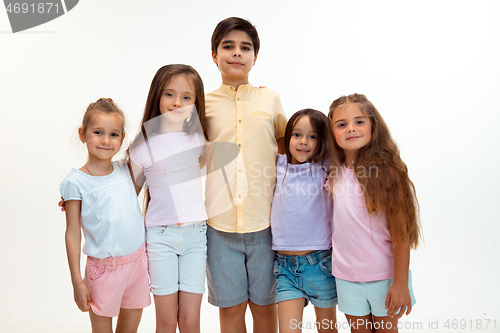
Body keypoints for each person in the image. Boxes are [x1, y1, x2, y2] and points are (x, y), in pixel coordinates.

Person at [204, 17, 288, 333]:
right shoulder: (204, 104)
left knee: (265, 309)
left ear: (255, 57)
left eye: (245, 47)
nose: (237, 53)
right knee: (231, 310)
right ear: (214, 55)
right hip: (219, 225)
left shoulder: (270, 99)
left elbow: (287, 149)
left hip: (266, 223)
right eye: (228, 46)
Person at [327, 94, 421, 332]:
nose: (351, 128)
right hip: (346, 277)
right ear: (332, 133)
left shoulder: (387, 174)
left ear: (373, 126)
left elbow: (402, 234)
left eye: (359, 121)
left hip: (385, 277)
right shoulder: (332, 172)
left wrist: (400, 283)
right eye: (341, 124)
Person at [128, 64, 208, 333]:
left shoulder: (199, 139)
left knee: (190, 321)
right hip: (160, 237)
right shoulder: (142, 145)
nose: (177, 103)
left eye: (187, 97)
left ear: (196, 104)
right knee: (165, 322)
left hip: (196, 236)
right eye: (169, 94)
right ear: (156, 97)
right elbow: (128, 191)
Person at [60, 98, 150, 333]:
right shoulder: (75, 182)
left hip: (137, 263)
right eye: (98, 132)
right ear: (83, 134)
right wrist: (76, 281)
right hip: (104, 270)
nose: (105, 140)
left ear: (121, 139)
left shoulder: (127, 169)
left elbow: (148, 143)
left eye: (113, 134)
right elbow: (72, 233)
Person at [271, 109, 339, 333]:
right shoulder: (278, 165)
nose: (303, 142)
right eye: (297, 135)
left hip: (320, 264)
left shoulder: (326, 166)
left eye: (312, 136)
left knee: (327, 329)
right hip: (285, 268)